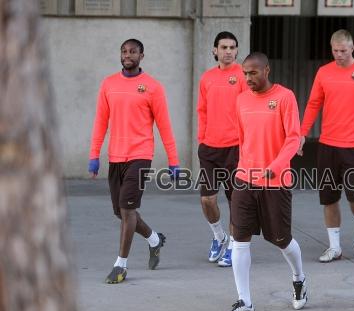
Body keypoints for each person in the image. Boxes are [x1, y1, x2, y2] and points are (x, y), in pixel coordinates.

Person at [220, 52, 307, 311]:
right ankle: (245, 302)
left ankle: (299, 278)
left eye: (253, 73)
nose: (248, 78)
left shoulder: (285, 97)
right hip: (245, 180)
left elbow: (294, 138)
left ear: (267, 70)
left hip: (276, 181)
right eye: (245, 73)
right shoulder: (241, 100)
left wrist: (276, 165)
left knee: (280, 238)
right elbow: (242, 139)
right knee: (239, 238)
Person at [88, 39, 180, 284]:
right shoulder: (108, 84)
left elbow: (164, 125)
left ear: (142, 55)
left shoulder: (152, 87)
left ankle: (121, 265)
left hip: (140, 155)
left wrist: (174, 160)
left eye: (133, 52)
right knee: (121, 212)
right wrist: (94, 155)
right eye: (124, 51)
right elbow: (100, 122)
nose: (128, 55)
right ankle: (154, 240)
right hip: (115, 156)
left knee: (128, 209)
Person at [298, 29, 354, 262]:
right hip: (327, 145)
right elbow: (314, 103)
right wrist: (302, 133)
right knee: (328, 197)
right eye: (335, 51)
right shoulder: (324, 72)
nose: (339, 55)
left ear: (352, 47)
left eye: (343, 51)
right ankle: (334, 247)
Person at [197, 31, 247, 267]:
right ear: (215, 50)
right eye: (223, 47)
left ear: (237, 51)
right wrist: (202, 138)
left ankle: (235, 246)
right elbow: (202, 110)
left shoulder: (243, 76)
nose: (228, 51)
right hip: (209, 148)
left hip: (235, 149)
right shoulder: (206, 78)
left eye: (232, 47)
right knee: (207, 200)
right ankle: (219, 237)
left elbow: (249, 111)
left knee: (235, 200)